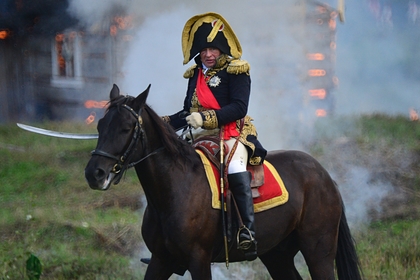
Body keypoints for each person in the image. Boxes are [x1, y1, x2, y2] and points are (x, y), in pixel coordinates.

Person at [162, 12, 266, 261]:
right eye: (204, 50)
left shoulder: (237, 70)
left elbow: (240, 107)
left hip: (233, 132)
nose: (208, 54)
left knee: (233, 166)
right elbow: (188, 111)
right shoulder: (195, 75)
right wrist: (161, 124)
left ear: (222, 48)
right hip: (200, 136)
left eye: (213, 49)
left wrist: (206, 118)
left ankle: (246, 232)